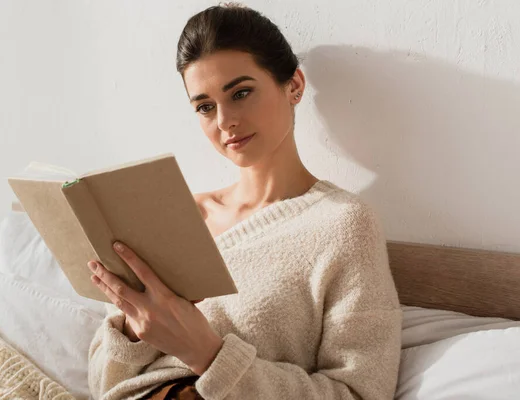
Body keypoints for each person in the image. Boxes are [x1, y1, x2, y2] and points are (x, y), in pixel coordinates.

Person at [87, 3, 402, 399]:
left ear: (294, 87)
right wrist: (135, 328)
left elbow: (360, 392)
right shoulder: (173, 218)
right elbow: (102, 384)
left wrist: (207, 353)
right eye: (205, 106)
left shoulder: (344, 225)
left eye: (241, 93)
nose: (224, 121)